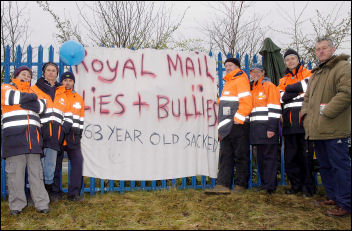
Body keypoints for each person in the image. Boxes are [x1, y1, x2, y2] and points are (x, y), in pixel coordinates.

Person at [301, 36, 351, 217]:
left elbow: (346, 93)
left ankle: (346, 204)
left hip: (334, 128)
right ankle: (333, 196)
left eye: (324, 48)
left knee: (340, 166)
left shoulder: (342, 67)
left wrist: (328, 111)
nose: (320, 51)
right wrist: (305, 115)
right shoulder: (316, 73)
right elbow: (307, 99)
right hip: (318, 130)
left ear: (332, 49)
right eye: (317, 49)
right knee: (325, 166)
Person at [1, 66, 50, 215]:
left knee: (37, 173)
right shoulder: (5, 86)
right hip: (14, 139)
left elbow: (42, 106)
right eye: (24, 74)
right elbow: (10, 97)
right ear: (16, 75)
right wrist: (29, 99)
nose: (27, 77)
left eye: (29, 75)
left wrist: (26, 99)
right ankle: (16, 206)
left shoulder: (34, 91)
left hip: (34, 141)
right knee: (15, 175)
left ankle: (42, 204)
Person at [205, 57, 252, 194]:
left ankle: (240, 186)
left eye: (230, 65)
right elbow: (227, 100)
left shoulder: (241, 79)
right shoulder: (229, 82)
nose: (227, 67)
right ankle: (223, 185)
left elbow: (247, 101)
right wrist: (215, 102)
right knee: (226, 155)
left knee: (240, 155)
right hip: (227, 127)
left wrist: (239, 118)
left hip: (238, 125)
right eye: (226, 66)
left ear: (237, 66)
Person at [31, 62, 73, 199]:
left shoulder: (63, 92)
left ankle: (50, 191)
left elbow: (69, 113)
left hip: (57, 134)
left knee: (53, 164)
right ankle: (37, 193)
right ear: (43, 72)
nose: (50, 73)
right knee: (37, 165)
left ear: (56, 73)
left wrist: (63, 129)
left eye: (53, 70)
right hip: (40, 132)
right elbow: (30, 110)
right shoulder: (34, 89)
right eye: (48, 70)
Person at [277, 49, 316, 197]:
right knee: (290, 156)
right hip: (288, 124)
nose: (290, 61)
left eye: (293, 58)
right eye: (287, 59)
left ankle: (308, 188)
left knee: (305, 156)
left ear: (298, 59)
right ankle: (295, 186)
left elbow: (309, 88)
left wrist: (289, 90)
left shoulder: (308, 73)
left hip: (304, 122)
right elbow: (280, 97)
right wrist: (297, 91)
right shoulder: (283, 79)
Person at [248, 64, 281, 194]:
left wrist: (272, 128)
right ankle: (264, 184)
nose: (255, 74)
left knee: (269, 158)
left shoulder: (269, 87)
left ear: (263, 72)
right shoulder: (251, 88)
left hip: (267, 129)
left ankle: (270, 186)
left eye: (258, 71)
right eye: (253, 72)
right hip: (256, 130)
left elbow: (275, 108)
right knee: (261, 159)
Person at [52, 71, 85, 201]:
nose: (67, 82)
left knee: (78, 163)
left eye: (70, 80)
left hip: (73, 136)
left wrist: (79, 133)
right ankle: (55, 193)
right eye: (65, 80)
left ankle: (74, 194)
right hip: (59, 135)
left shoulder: (78, 98)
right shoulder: (57, 95)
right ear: (61, 81)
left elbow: (81, 117)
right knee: (56, 165)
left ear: (73, 82)